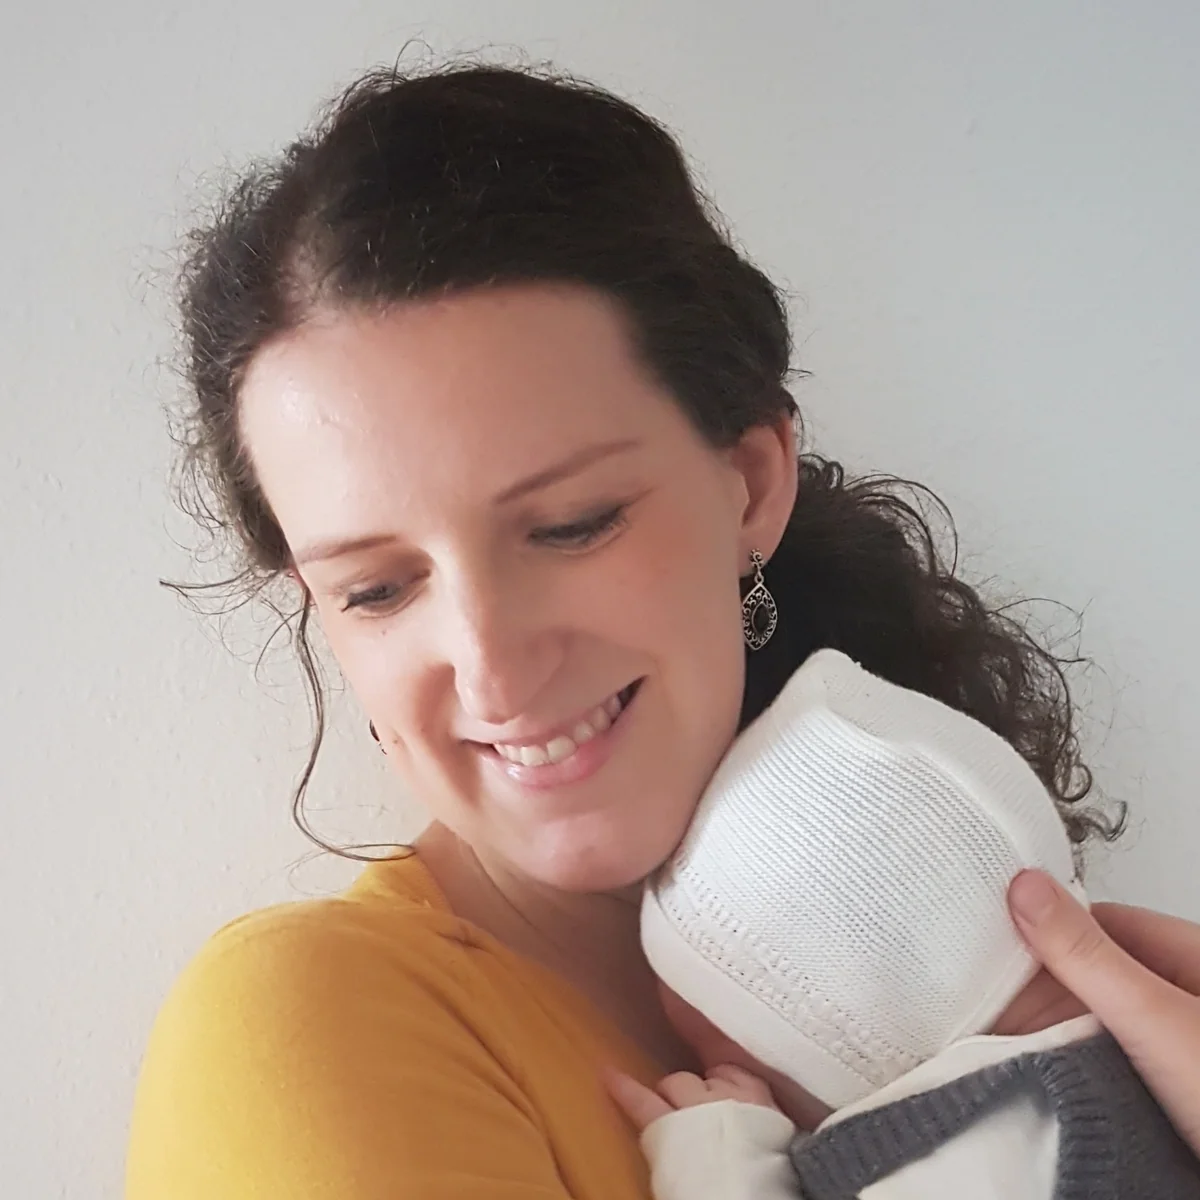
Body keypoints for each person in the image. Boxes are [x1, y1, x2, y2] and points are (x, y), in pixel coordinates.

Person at [126, 62, 1200, 1199]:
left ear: (751, 484)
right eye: (378, 589)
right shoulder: (314, 1027)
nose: (493, 668)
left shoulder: (966, 988)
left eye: (572, 525)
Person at [607, 648, 1200, 1198]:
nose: (714, 1079)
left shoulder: (991, 1144)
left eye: (725, 1061)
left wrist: (723, 1157)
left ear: (839, 1039)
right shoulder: (1147, 1073)